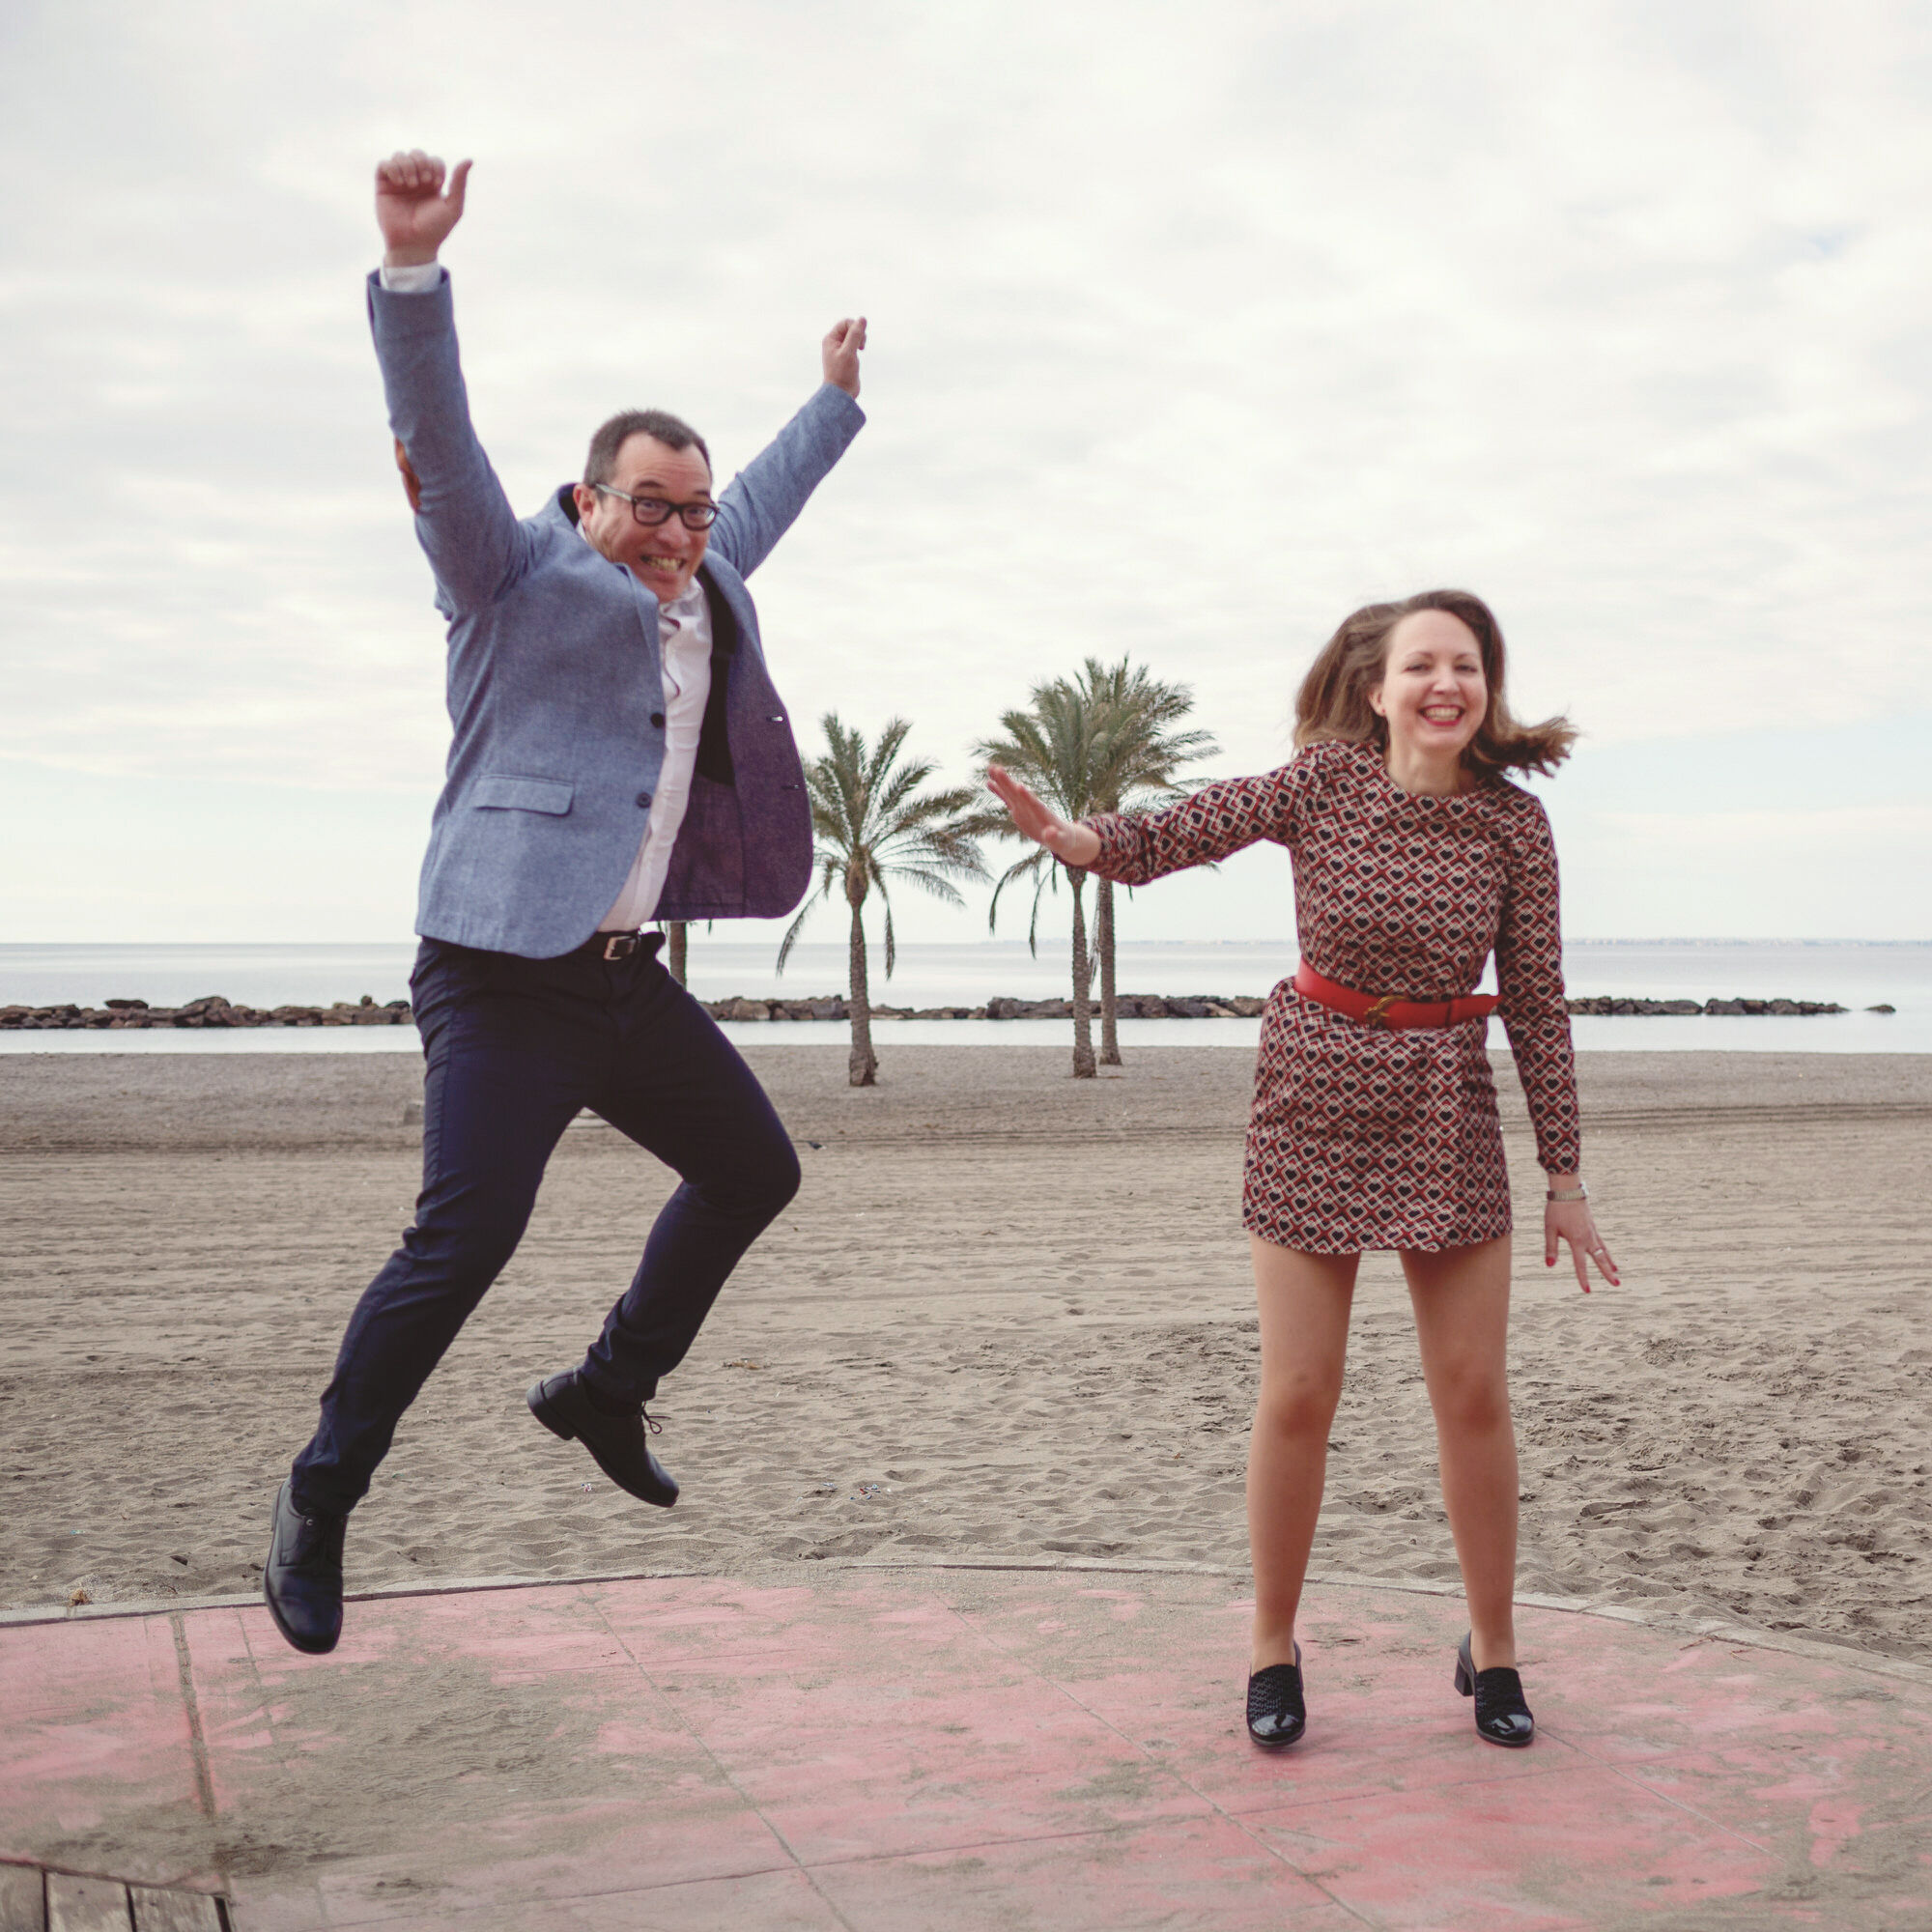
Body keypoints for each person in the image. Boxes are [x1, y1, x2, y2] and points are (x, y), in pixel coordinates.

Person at [263, 151, 868, 1656]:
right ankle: (323, 1492)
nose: (677, 533)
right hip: (496, 973)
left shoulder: (702, 582)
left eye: (693, 511)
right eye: (648, 506)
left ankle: (606, 1386)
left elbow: (763, 501)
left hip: (619, 980)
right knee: (462, 1244)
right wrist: (412, 268)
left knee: (754, 1171)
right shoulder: (508, 575)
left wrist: (838, 400)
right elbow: (440, 441)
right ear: (590, 498)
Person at [987, 589, 1617, 1750]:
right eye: (1421, 664)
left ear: (1487, 689)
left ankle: (1494, 1646)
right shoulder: (1321, 781)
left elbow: (1535, 999)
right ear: (1373, 688)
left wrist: (1562, 1175)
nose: (1446, 684)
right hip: (1312, 1096)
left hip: (1444, 1097)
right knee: (1297, 1391)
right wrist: (1087, 843)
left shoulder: (1510, 826)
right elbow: (1196, 824)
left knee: (1472, 1391)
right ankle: (1272, 1644)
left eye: (1466, 666)